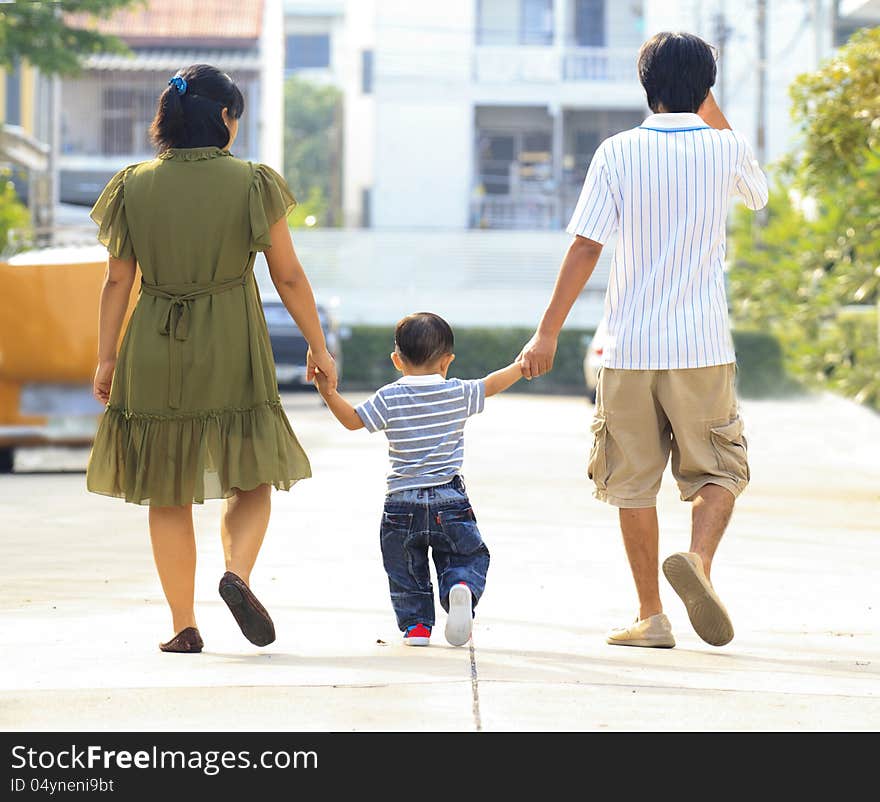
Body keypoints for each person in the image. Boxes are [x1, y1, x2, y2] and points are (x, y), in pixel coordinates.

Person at [519, 32, 768, 648]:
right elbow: (760, 197)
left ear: (644, 86)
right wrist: (708, 107)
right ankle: (701, 563)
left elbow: (585, 246)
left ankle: (652, 615)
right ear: (707, 90)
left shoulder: (615, 152)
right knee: (720, 470)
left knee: (632, 482)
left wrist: (547, 332)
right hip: (702, 346)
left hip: (627, 347)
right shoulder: (726, 149)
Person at [87, 64, 338, 653]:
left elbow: (116, 282)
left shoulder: (132, 184)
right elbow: (290, 275)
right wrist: (319, 347)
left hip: (153, 338)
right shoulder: (252, 181)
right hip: (231, 334)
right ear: (225, 118)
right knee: (249, 473)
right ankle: (238, 574)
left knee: (164, 487)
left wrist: (105, 358)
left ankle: (183, 625)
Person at [312, 312, 523, 646]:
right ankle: (461, 586)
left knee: (405, 571)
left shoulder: (388, 398)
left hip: (401, 503)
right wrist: (521, 365)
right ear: (447, 362)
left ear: (397, 360)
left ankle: (417, 628)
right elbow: (491, 384)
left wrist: (328, 392)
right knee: (465, 556)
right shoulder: (458, 393)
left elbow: (353, 420)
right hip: (449, 500)